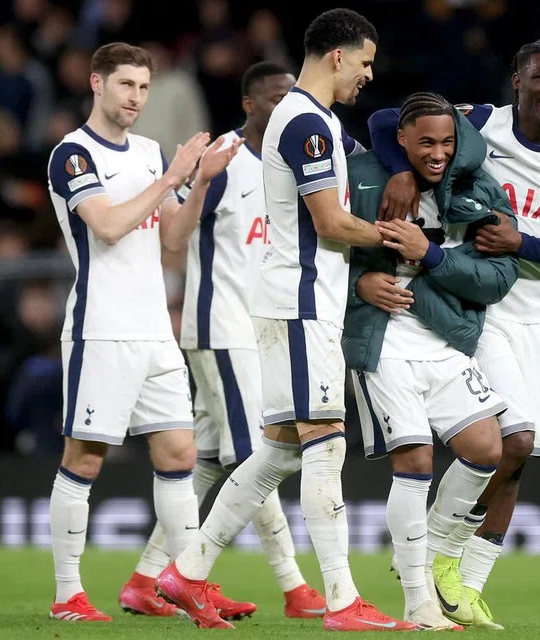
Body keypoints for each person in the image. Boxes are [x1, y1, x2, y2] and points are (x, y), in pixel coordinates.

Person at [155, 9, 415, 631]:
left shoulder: (320, 120)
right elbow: (328, 222)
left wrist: (401, 169)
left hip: (301, 300)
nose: (369, 75)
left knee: (277, 452)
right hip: (298, 301)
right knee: (325, 447)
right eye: (365, 62)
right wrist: (393, 238)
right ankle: (342, 601)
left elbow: (381, 132)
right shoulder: (305, 124)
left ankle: (184, 573)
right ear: (336, 57)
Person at [367, 39, 540, 629]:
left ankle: (465, 583)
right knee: (512, 441)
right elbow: (387, 121)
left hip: (533, 311)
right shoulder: (479, 124)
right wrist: (399, 169)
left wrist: (522, 242)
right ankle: (437, 556)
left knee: (526, 456)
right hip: (478, 304)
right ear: (517, 80)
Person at [118, 62, 327, 622]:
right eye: (276, 98)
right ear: (250, 104)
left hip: (259, 331)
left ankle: (145, 580)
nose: (286, 106)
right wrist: (201, 179)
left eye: (292, 98)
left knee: (210, 459)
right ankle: (294, 586)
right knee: (258, 457)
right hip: (222, 328)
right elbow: (174, 238)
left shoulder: (289, 159)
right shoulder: (227, 161)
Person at [46, 42, 241, 623]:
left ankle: (185, 586)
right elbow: (106, 226)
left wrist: (199, 182)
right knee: (83, 460)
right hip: (100, 329)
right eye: (125, 84)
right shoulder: (73, 155)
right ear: (96, 83)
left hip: (155, 327)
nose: (135, 97)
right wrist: (171, 178)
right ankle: (66, 595)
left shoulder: (153, 153)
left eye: (144, 87)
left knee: (180, 452)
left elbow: (172, 241)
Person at [345, 92, 518, 629]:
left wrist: (429, 254)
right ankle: (418, 600)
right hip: (385, 340)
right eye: (425, 142)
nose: (439, 153)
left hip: (443, 339)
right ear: (400, 140)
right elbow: (317, 253)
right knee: (415, 461)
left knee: (487, 446)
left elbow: (496, 278)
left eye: (448, 141)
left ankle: (426, 551)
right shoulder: (360, 175)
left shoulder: (478, 187)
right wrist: (360, 284)